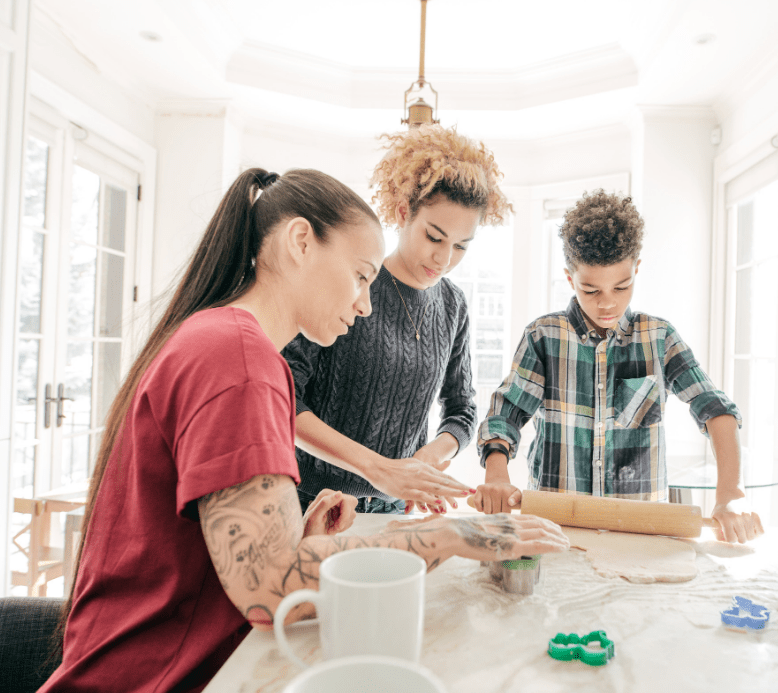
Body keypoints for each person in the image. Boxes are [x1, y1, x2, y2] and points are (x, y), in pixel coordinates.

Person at [41, 168, 567, 693]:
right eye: (361, 276)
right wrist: (450, 535)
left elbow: (245, 567)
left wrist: (301, 543)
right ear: (300, 242)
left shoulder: (225, 341)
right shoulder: (238, 359)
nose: (365, 303)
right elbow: (271, 588)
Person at [473, 189, 763, 544]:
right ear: (570, 279)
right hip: (554, 527)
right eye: (590, 290)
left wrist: (730, 494)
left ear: (636, 270)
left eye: (622, 286)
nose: (607, 303)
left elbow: (717, 410)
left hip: (641, 533)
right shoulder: (544, 336)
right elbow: (505, 414)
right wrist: (497, 474)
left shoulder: (659, 338)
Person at [282, 125, 512, 516]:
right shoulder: (350, 283)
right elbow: (286, 400)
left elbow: (462, 410)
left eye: (460, 246)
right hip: (313, 503)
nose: (444, 259)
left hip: (394, 511)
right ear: (405, 212)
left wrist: (427, 459)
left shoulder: (453, 305)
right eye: (434, 237)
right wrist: (379, 469)